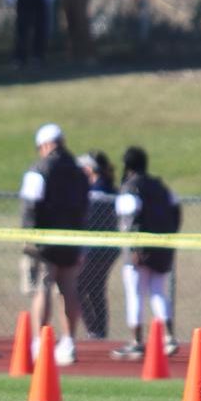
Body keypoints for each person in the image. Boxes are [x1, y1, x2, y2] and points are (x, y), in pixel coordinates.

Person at [19, 123, 89, 365]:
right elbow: (84, 206)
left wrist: (29, 235)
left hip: (45, 238)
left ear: (46, 145)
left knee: (42, 287)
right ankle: (68, 342)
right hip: (72, 237)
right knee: (69, 289)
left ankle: (40, 342)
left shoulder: (39, 169)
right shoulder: (79, 172)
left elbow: (30, 205)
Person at [113, 146, 181, 359]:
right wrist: (169, 236)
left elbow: (128, 218)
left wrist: (133, 247)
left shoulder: (130, 188)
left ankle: (136, 341)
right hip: (161, 247)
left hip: (138, 250)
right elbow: (176, 209)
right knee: (158, 291)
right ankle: (169, 338)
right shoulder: (161, 187)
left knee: (135, 293)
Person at [76, 150, 118, 340]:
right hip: (109, 249)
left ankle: (94, 331)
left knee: (76, 287)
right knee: (96, 288)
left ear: (89, 169)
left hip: (94, 249)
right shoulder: (111, 189)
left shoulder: (96, 192)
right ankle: (100, 332)